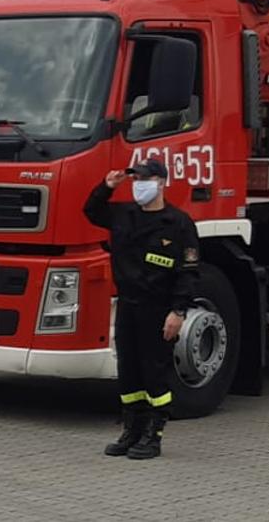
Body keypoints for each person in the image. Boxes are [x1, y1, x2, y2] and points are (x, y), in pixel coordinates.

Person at [83, 158, 201, 460]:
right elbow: (91, 212)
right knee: (129, 369)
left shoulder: (178, 223)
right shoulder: (125, 215)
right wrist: (107, 187)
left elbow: (188, 272)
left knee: (154, 370)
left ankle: (154, 433)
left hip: (158, 307)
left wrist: (178, 311)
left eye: (144, 180)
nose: (138, 186)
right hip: (128, 304)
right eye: (135, 180)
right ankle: (131, 429)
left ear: (161, 183)